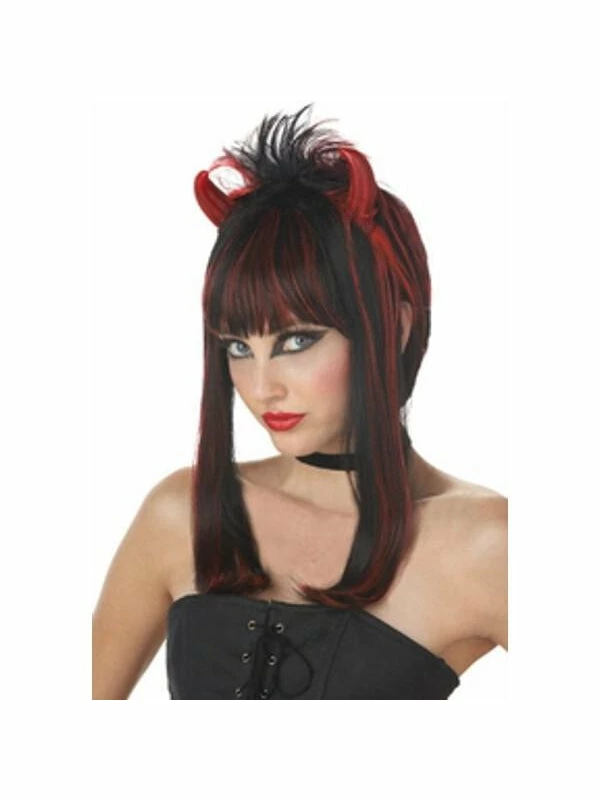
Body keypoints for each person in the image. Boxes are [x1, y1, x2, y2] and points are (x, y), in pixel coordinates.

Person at [92, 103, 507, 700]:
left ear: (394, 328)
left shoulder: (484, 542)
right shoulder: (183, 514)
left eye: (296, 341)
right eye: (239, 346)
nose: (262, 386)